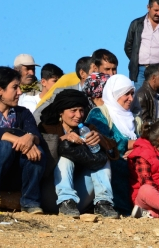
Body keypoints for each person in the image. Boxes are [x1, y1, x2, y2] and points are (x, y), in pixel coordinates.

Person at [38, 89, 119, 219]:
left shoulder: (87, 128)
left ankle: (103, 203)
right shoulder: (47, 127)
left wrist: (100, 139)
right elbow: (40, 148)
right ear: (61, 112)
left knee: (101, 158)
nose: (78, 115)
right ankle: (66, 201)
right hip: (52, 194)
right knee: (65, 157)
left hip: (80, 196)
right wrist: (63, 139)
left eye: (81, 110)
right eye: (73, 110)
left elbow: (113, 152)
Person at [85, 74, 141, 215]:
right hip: (111, 163)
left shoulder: (134, 119)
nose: (131, 98)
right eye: (126, 94)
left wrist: (136, 149)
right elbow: (103, 140)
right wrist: (132, 144)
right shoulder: (99, 114)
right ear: (114, 94)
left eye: (132, 93)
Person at [0, 66, 46, 214]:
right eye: (14, 88)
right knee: (4, 147)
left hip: (14, 172)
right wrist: (14, 138)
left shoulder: (23, 113)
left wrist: (30, 138)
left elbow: (36, 135)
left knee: (37, 151)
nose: (20, 92)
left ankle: (30, 201)